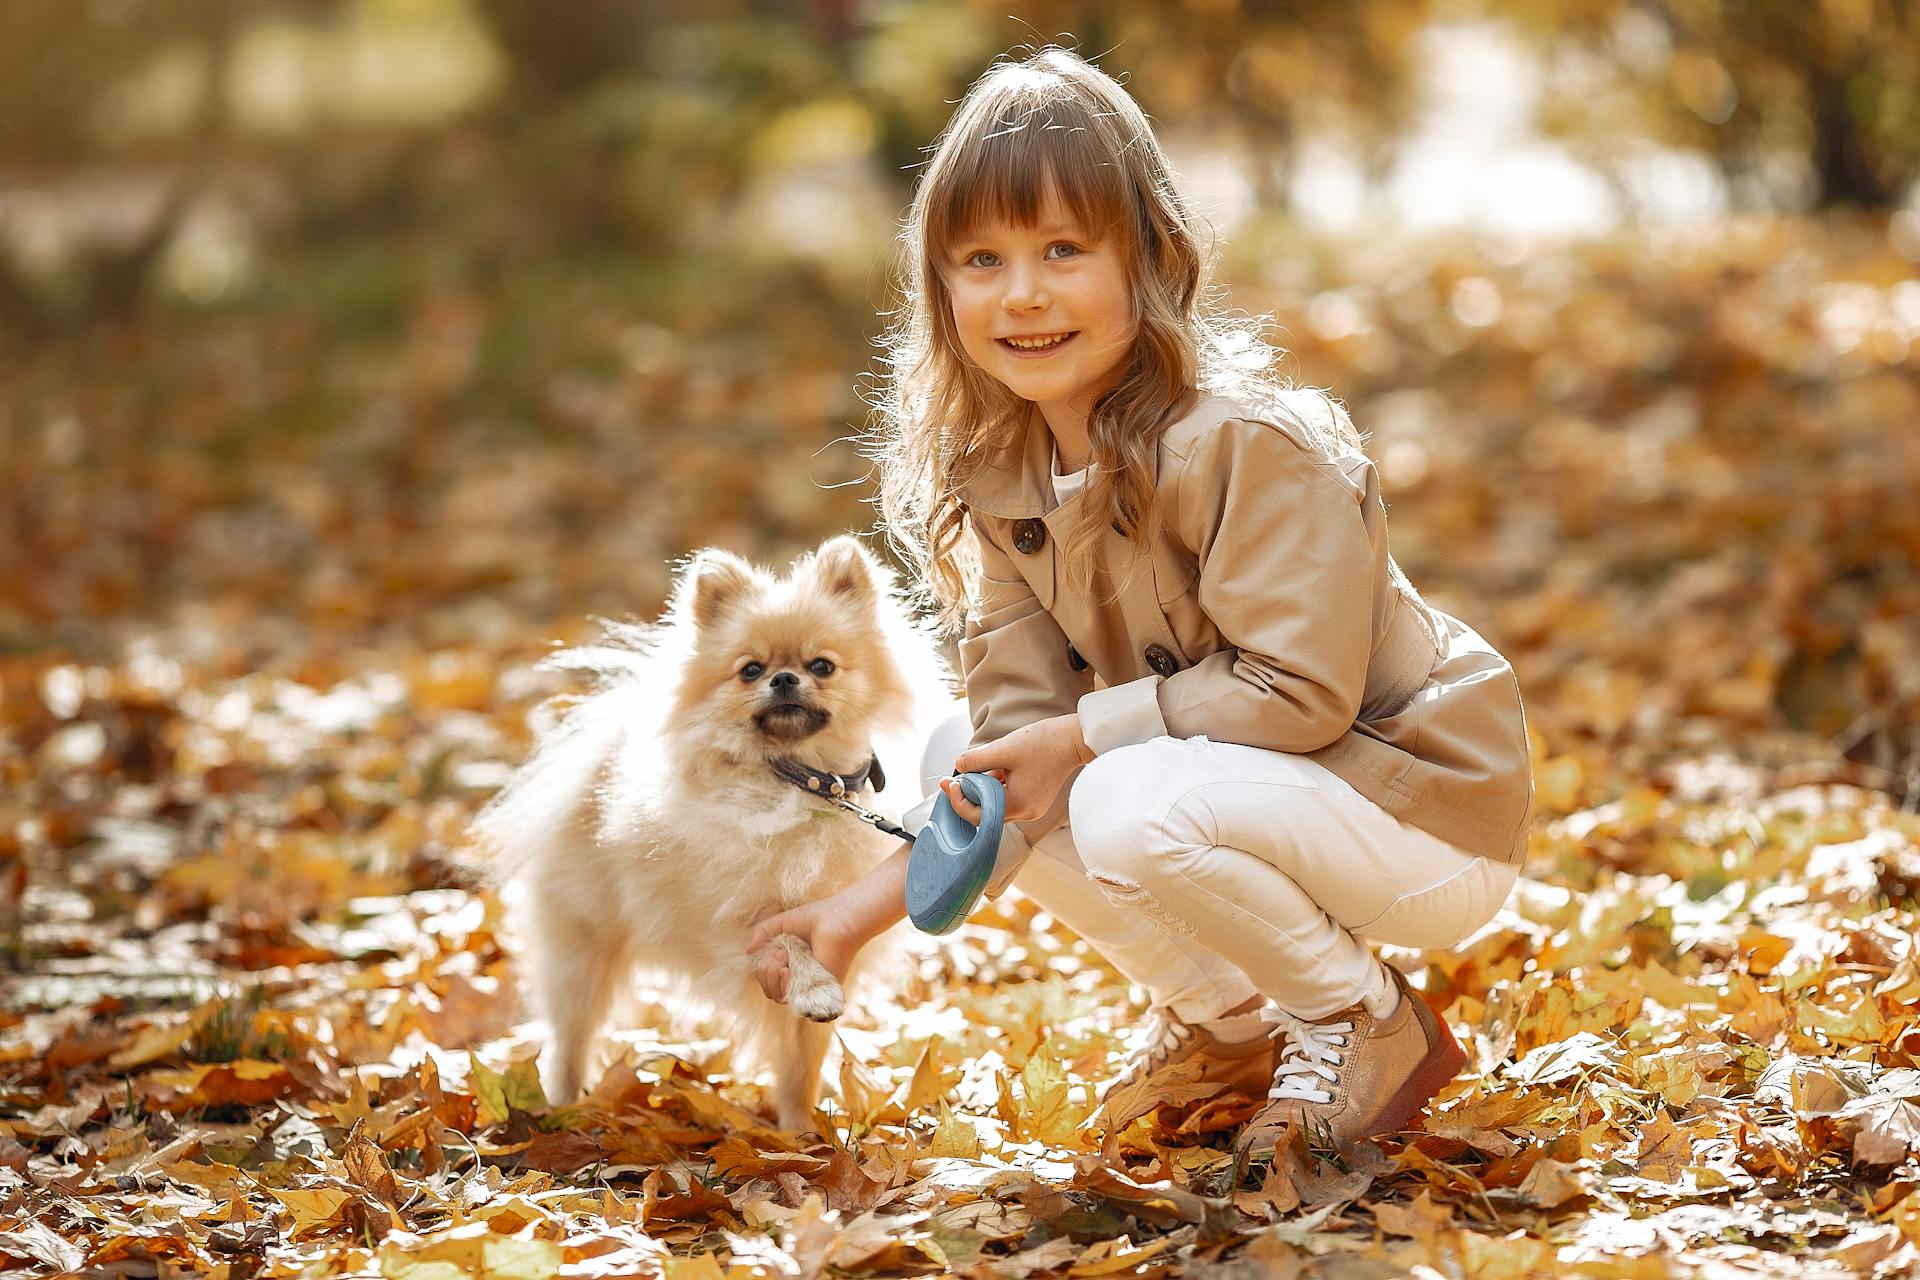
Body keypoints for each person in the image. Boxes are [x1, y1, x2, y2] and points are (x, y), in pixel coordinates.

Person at [746, 44, 1533, 1162]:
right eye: (982, 258)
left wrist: (1085, 732)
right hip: (1264, 796)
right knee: (961, 747)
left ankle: (1360, 1019)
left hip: (1419, 808)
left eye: (1064, 249)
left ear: (1149, 255)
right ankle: (1231, 1023)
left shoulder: (1247, 445)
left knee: (1122, 799)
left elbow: (1299, 693)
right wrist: (854, 916)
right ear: (940, 288)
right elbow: (1012, 764)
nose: (1022, 293)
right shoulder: (1002, 480)